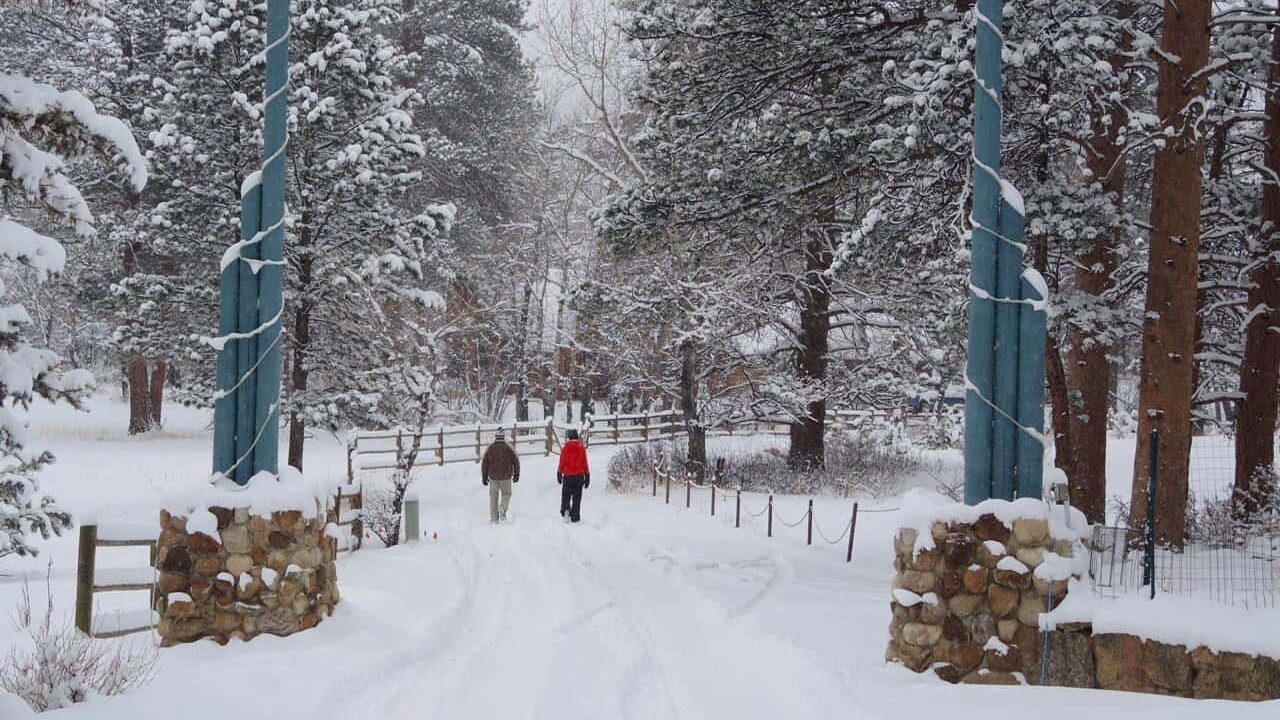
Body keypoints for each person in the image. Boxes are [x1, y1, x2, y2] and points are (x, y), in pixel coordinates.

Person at [481, 428, 520, 523]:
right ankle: (502, 508)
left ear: (496, 436)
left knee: (493, 497)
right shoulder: (509, 447)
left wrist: (484, 476)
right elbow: (516, 461)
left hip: (493, 477)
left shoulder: (490, 448)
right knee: (507, 494)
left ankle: (494, 519)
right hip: (506, 476)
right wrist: (516, 474)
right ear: (503, 436)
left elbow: (485, 463)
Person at [557, 428, 590, 523]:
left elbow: (562, 462)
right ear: (576, 437)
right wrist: (587, 476)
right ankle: (575, 516)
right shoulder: (581, 448)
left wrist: (559, 473)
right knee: (577, 497)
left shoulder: (565, 448)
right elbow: (585, 463)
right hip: (579, 476)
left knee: (566, 495)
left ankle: (566, 510)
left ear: (569, 438)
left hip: (568, 476)